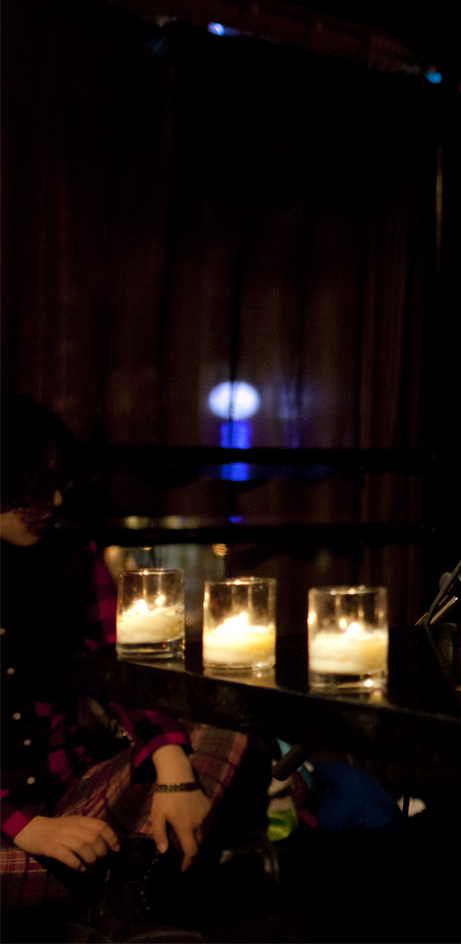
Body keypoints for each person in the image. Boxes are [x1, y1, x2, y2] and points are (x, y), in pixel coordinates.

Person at [0, 392, 266, 936]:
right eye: (37, 486)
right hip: (15, 831)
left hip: (71, 797)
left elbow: (122, 668)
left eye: (59, 484)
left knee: (225, 718)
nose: (55, 500)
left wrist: (174, 773)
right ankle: (134, 887)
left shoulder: (72, 558)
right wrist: (28, 829)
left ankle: (129, 895)